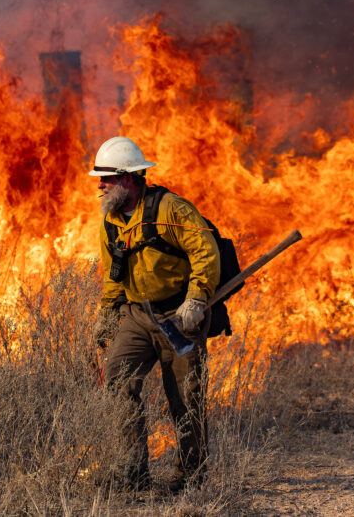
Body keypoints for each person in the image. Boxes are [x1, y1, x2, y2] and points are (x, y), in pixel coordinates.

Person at [90, 136, 219, 493]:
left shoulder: (172, 210)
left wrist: (195, 300)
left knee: (185, 396)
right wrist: (106, 316)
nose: (100, 185)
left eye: (106, 178)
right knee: (117, 379)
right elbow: (113, 275)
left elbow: (205, 252)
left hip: (177, 317)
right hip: (136, 316)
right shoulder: (111, 221)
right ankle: (132, 471)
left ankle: (191, 476)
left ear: (128, 178)